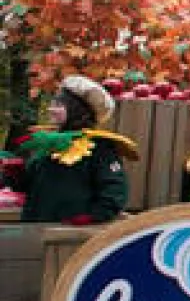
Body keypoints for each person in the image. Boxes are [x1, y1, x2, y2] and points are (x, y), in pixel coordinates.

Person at [4, 75, 136, 224]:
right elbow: (29, 188)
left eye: (58, 105)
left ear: (78, 110)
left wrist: (93, 216)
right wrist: (15, 173)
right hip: (35, 231)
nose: (50, 109)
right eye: (52, 104)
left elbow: (115, 191)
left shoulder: (100, 147)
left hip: (73, 236)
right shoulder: (49, 144)